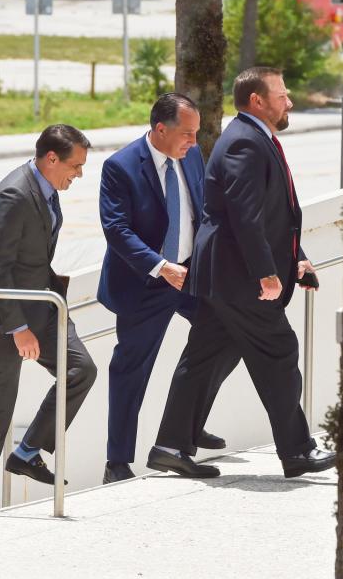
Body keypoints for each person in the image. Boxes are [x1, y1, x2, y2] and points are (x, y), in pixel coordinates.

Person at [148, 67, 336, 479]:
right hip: (239, 277)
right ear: (257, 101)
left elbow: (273, 214)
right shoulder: (245, 143)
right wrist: (267, 273)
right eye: (281, 96)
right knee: (280, 351)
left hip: (227, 275)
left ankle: (170, 446)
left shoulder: (252, 139)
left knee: (204, 357)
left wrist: (295, 258)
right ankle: (298, 450)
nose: (289, 102)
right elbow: (245, 217)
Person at [0, 124, 98, 516]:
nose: (79, 174)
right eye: (75, 165)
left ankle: (28, 450)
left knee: (81, 369)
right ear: (51, 159)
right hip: (3, 316)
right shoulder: (12, 194)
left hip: (42, 306)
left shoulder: (47, 190)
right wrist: (17, 327)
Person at [97, 93, 227, 484]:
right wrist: (159, 266)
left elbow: (203, 211)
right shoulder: (120, 167)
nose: (193, 140)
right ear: (159, 129)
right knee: (130, 371)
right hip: (145, 283)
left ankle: (187, 424)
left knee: (227, 332)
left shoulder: (192, 156)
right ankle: (117, 462)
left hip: (190, 277)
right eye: (186, 133)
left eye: (196, 133)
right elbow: (116, 229)